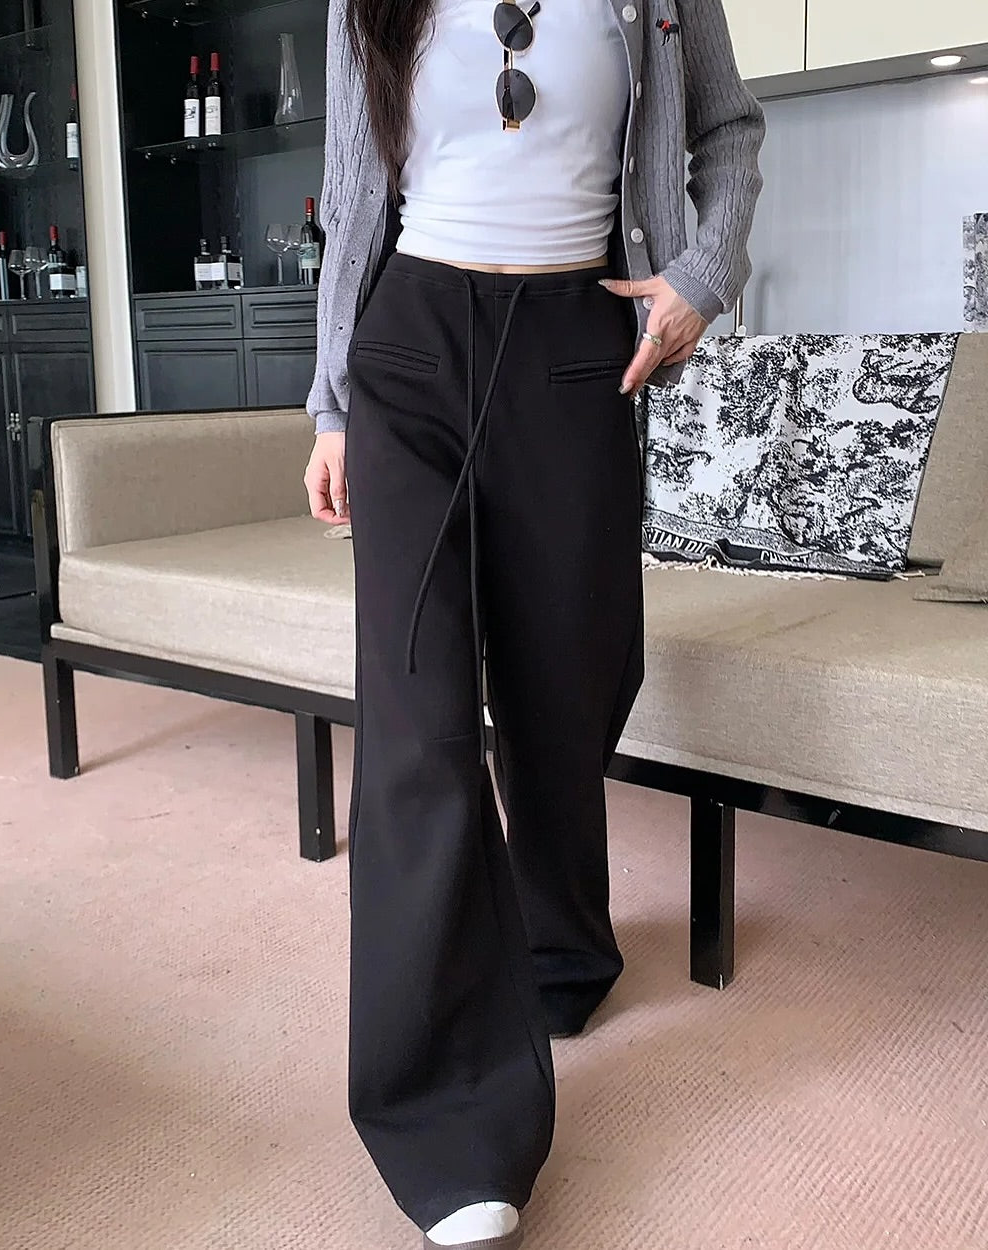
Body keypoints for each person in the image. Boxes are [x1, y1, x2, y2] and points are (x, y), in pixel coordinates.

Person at [304, 1, 764, 1245]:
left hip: (575, 343)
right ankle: (448, 1123)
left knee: (569, 685)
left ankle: (559, 945)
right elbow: (354, 190)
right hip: (408, 351)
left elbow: (727, 128)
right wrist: (331, 405)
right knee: (418, 721)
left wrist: (702, 277)